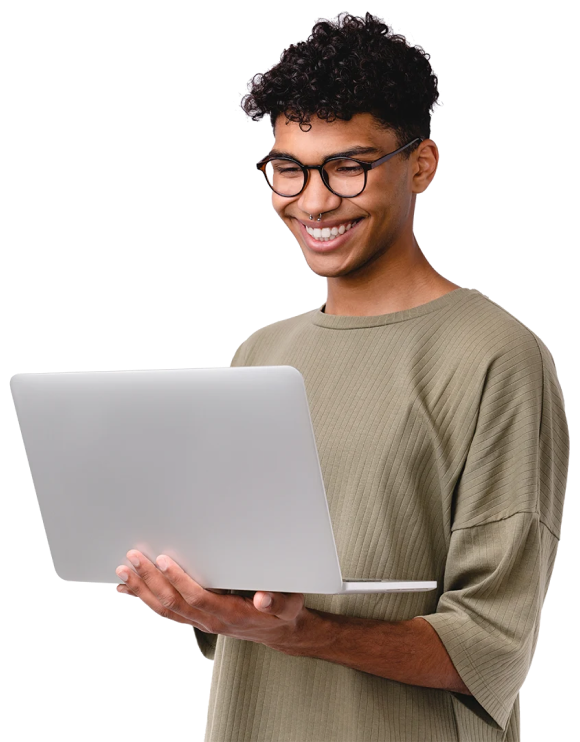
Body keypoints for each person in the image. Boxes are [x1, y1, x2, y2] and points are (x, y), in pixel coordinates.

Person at [116, 12, 570, 741]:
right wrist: (193, 595)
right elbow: (240, 603)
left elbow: (491, 645)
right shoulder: (261, 356)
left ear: (420, 163)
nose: (315, 200)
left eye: (348, 166)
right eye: (289, 168)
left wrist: (304, 632)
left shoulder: (495, 356)